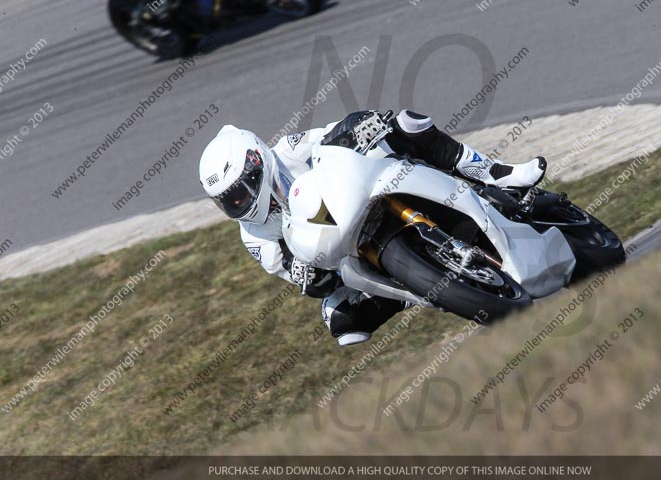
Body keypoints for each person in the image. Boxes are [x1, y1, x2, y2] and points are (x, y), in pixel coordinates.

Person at [198, 110, 546, 346]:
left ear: (259, 160)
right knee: (340, 320)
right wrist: (304, 275)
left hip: (362, 191)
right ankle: (418, 291)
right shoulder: (254, 235)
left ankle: (495, 173)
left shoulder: (288, 150)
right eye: (230, 201)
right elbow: (290, 271)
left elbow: (331, 136)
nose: (241, 203)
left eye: (244, 189)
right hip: (347, 253)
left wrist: (361, 126)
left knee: (403, 122)